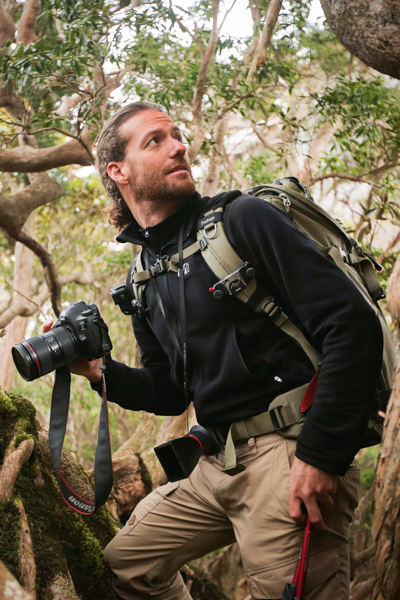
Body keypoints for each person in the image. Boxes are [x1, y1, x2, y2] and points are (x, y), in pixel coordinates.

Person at [46, 101, 383, 599]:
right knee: (127, 566)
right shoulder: (143, 275)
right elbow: (168, 392)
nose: (179, 147)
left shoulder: (242, 219)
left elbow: (352, 325)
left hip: (289, 453)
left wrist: (321, 455)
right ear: (118, 171)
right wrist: (99, 372)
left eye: (177, 136)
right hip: (214, 462)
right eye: (156, 140)